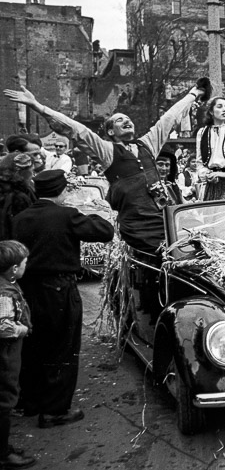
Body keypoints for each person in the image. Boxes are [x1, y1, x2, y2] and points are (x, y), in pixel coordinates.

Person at [3, 80, 208, 254]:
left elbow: (169, 118)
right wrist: (38, 106)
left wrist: (194, 93)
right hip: (138, 226)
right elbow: (76, 129)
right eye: (119, 120)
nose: (126, 120)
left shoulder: (147, 144)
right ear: (110, 131)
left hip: (164, 219)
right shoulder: (107, 150)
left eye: (128, 119)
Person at [11, 170, 114, 428]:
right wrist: (95, 209)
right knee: (62, 348)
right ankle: (55, 410)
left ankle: (31, 402)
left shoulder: (21, 218)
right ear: (63, 191)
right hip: (58, 288)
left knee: (33, 346)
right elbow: (104, 231)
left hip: (26, 289)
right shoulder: (66, 214)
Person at [0, 240, 36, 469]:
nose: (26, 266)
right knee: (5, 400)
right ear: (14, 268)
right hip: (5, 355)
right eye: (24, 263)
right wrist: (23, 329)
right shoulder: (4, 293)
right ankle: (3, 454)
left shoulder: (6, 283)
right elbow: (4, 327)